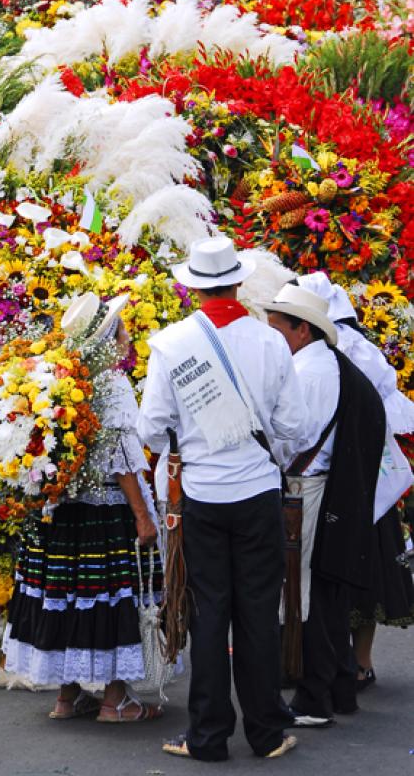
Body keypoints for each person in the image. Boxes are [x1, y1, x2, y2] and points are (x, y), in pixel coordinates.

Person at [137, 236, 309, 761]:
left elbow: (151, 426)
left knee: (209, 613)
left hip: (202, 497)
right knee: (257, 613)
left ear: (192, 286)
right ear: (238, 280)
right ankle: (267, 732)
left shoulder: (170, 343)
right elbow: (294, 428)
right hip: (258, 492)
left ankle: (208, 736)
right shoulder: (270, 341)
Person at [2, 292, 165, 722]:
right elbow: (123, 459)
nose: (128, 336)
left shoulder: (56, 377)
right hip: (105, 513)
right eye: (122, 329)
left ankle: (67, 697)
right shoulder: (109, 383)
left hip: (62, 514)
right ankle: (115, 702)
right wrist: (143, 518)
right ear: (109, 336)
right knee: (113, 599)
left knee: (71, 597)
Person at [264, 283, 386, 723]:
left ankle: (314, 697)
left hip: (306, 490)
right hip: (320, 488)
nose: (271, 334)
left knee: (305, 593)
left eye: (277, 327)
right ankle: (335, 687)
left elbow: (291, 442)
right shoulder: (324, 363)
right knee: (321, 593)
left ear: (302, 330)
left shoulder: (309, 373)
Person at [297, 272, 414, 689]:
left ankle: (331, 662)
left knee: (329, 573)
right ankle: (359, 662)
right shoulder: (360, 347)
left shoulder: (328, 352)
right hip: (369, 476)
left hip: (340, 480)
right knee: (367, 571)